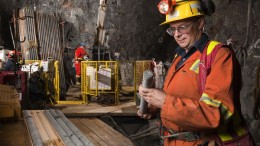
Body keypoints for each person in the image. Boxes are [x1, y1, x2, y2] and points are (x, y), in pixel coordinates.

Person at [137, 0, 255, 146]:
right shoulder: (179, 57)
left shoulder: (219, 56)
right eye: (172, 29)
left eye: (182, 27)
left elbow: (215, 114)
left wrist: (164, 102)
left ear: (200, 23)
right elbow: (180, 96)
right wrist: (153, 106)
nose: (176, 35)